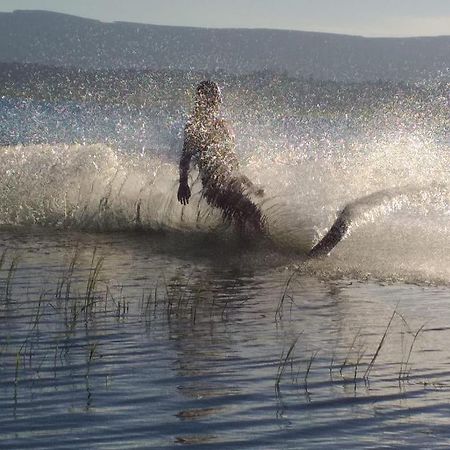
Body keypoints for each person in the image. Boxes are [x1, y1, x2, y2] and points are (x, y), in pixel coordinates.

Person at [177, 80, 265, 234]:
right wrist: (183, 184)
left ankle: (243, 251)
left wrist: (251, 186)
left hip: (231, 184)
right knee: (252, 213)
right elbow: (185, 158)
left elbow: (232, 165)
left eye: (218, 97)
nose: (218, 101)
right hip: (214, 188)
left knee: (243, 219)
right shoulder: (195, 126)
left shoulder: (224, 126)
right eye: (214, 97)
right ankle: (267, 248)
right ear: (203, 98)